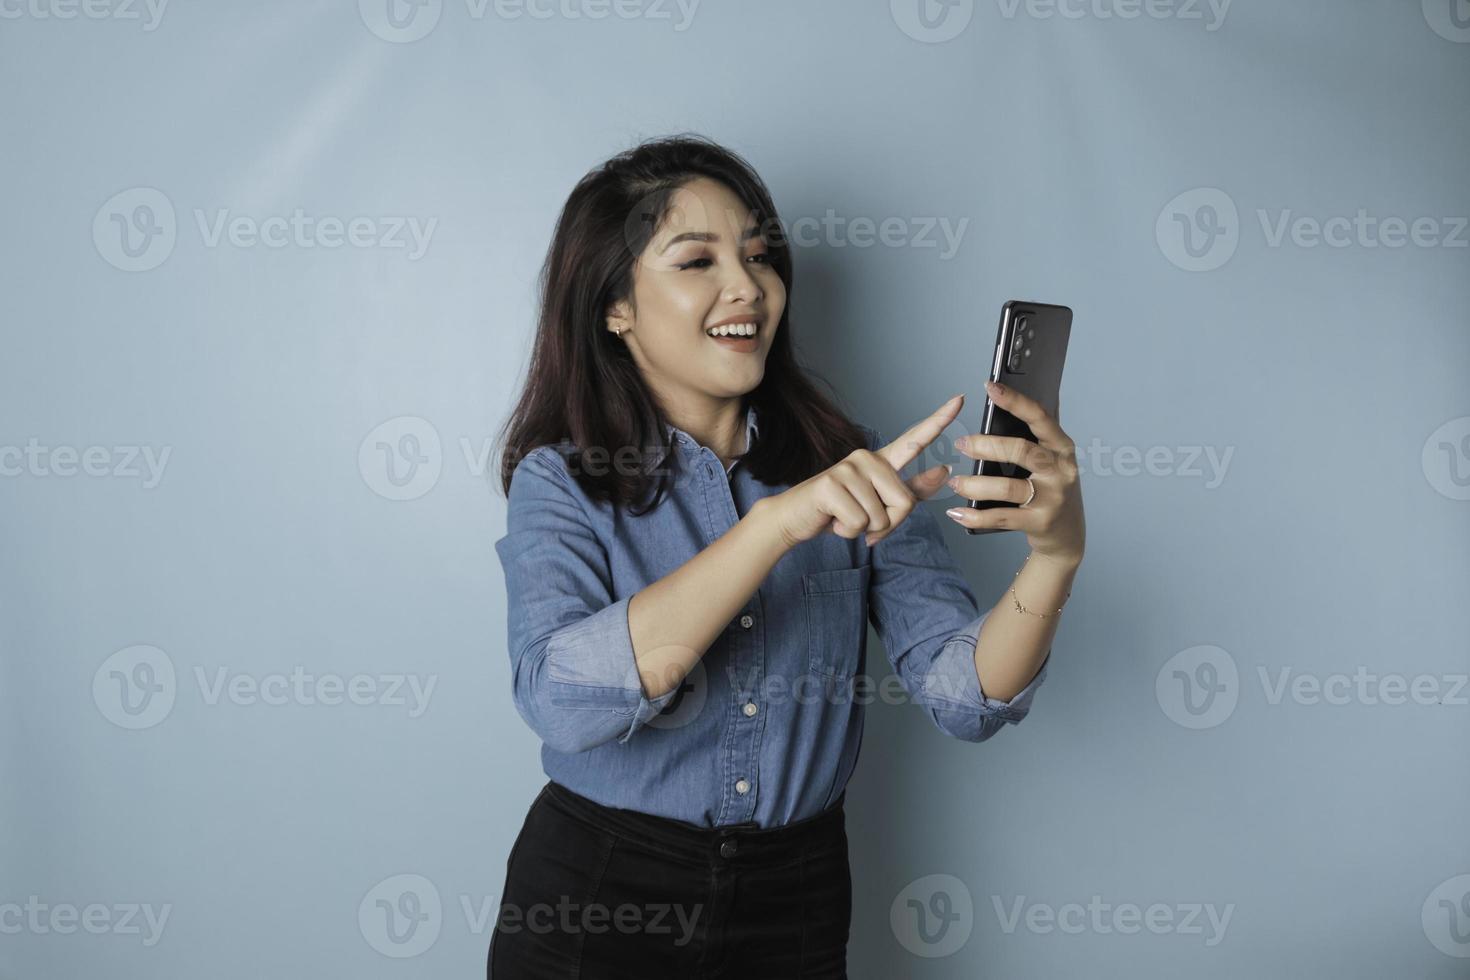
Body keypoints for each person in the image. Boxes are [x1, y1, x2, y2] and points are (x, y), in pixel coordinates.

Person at [487, 133, 1086, 979]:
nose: (749, 287)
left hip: (795, 900)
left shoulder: (857, 467)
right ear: (613, 306)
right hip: (599, 895)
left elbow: (964, 697)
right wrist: (774, 527)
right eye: (696, 261)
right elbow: (562, 706)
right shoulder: (561, 481)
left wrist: (1055, 560)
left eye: (761, 257)